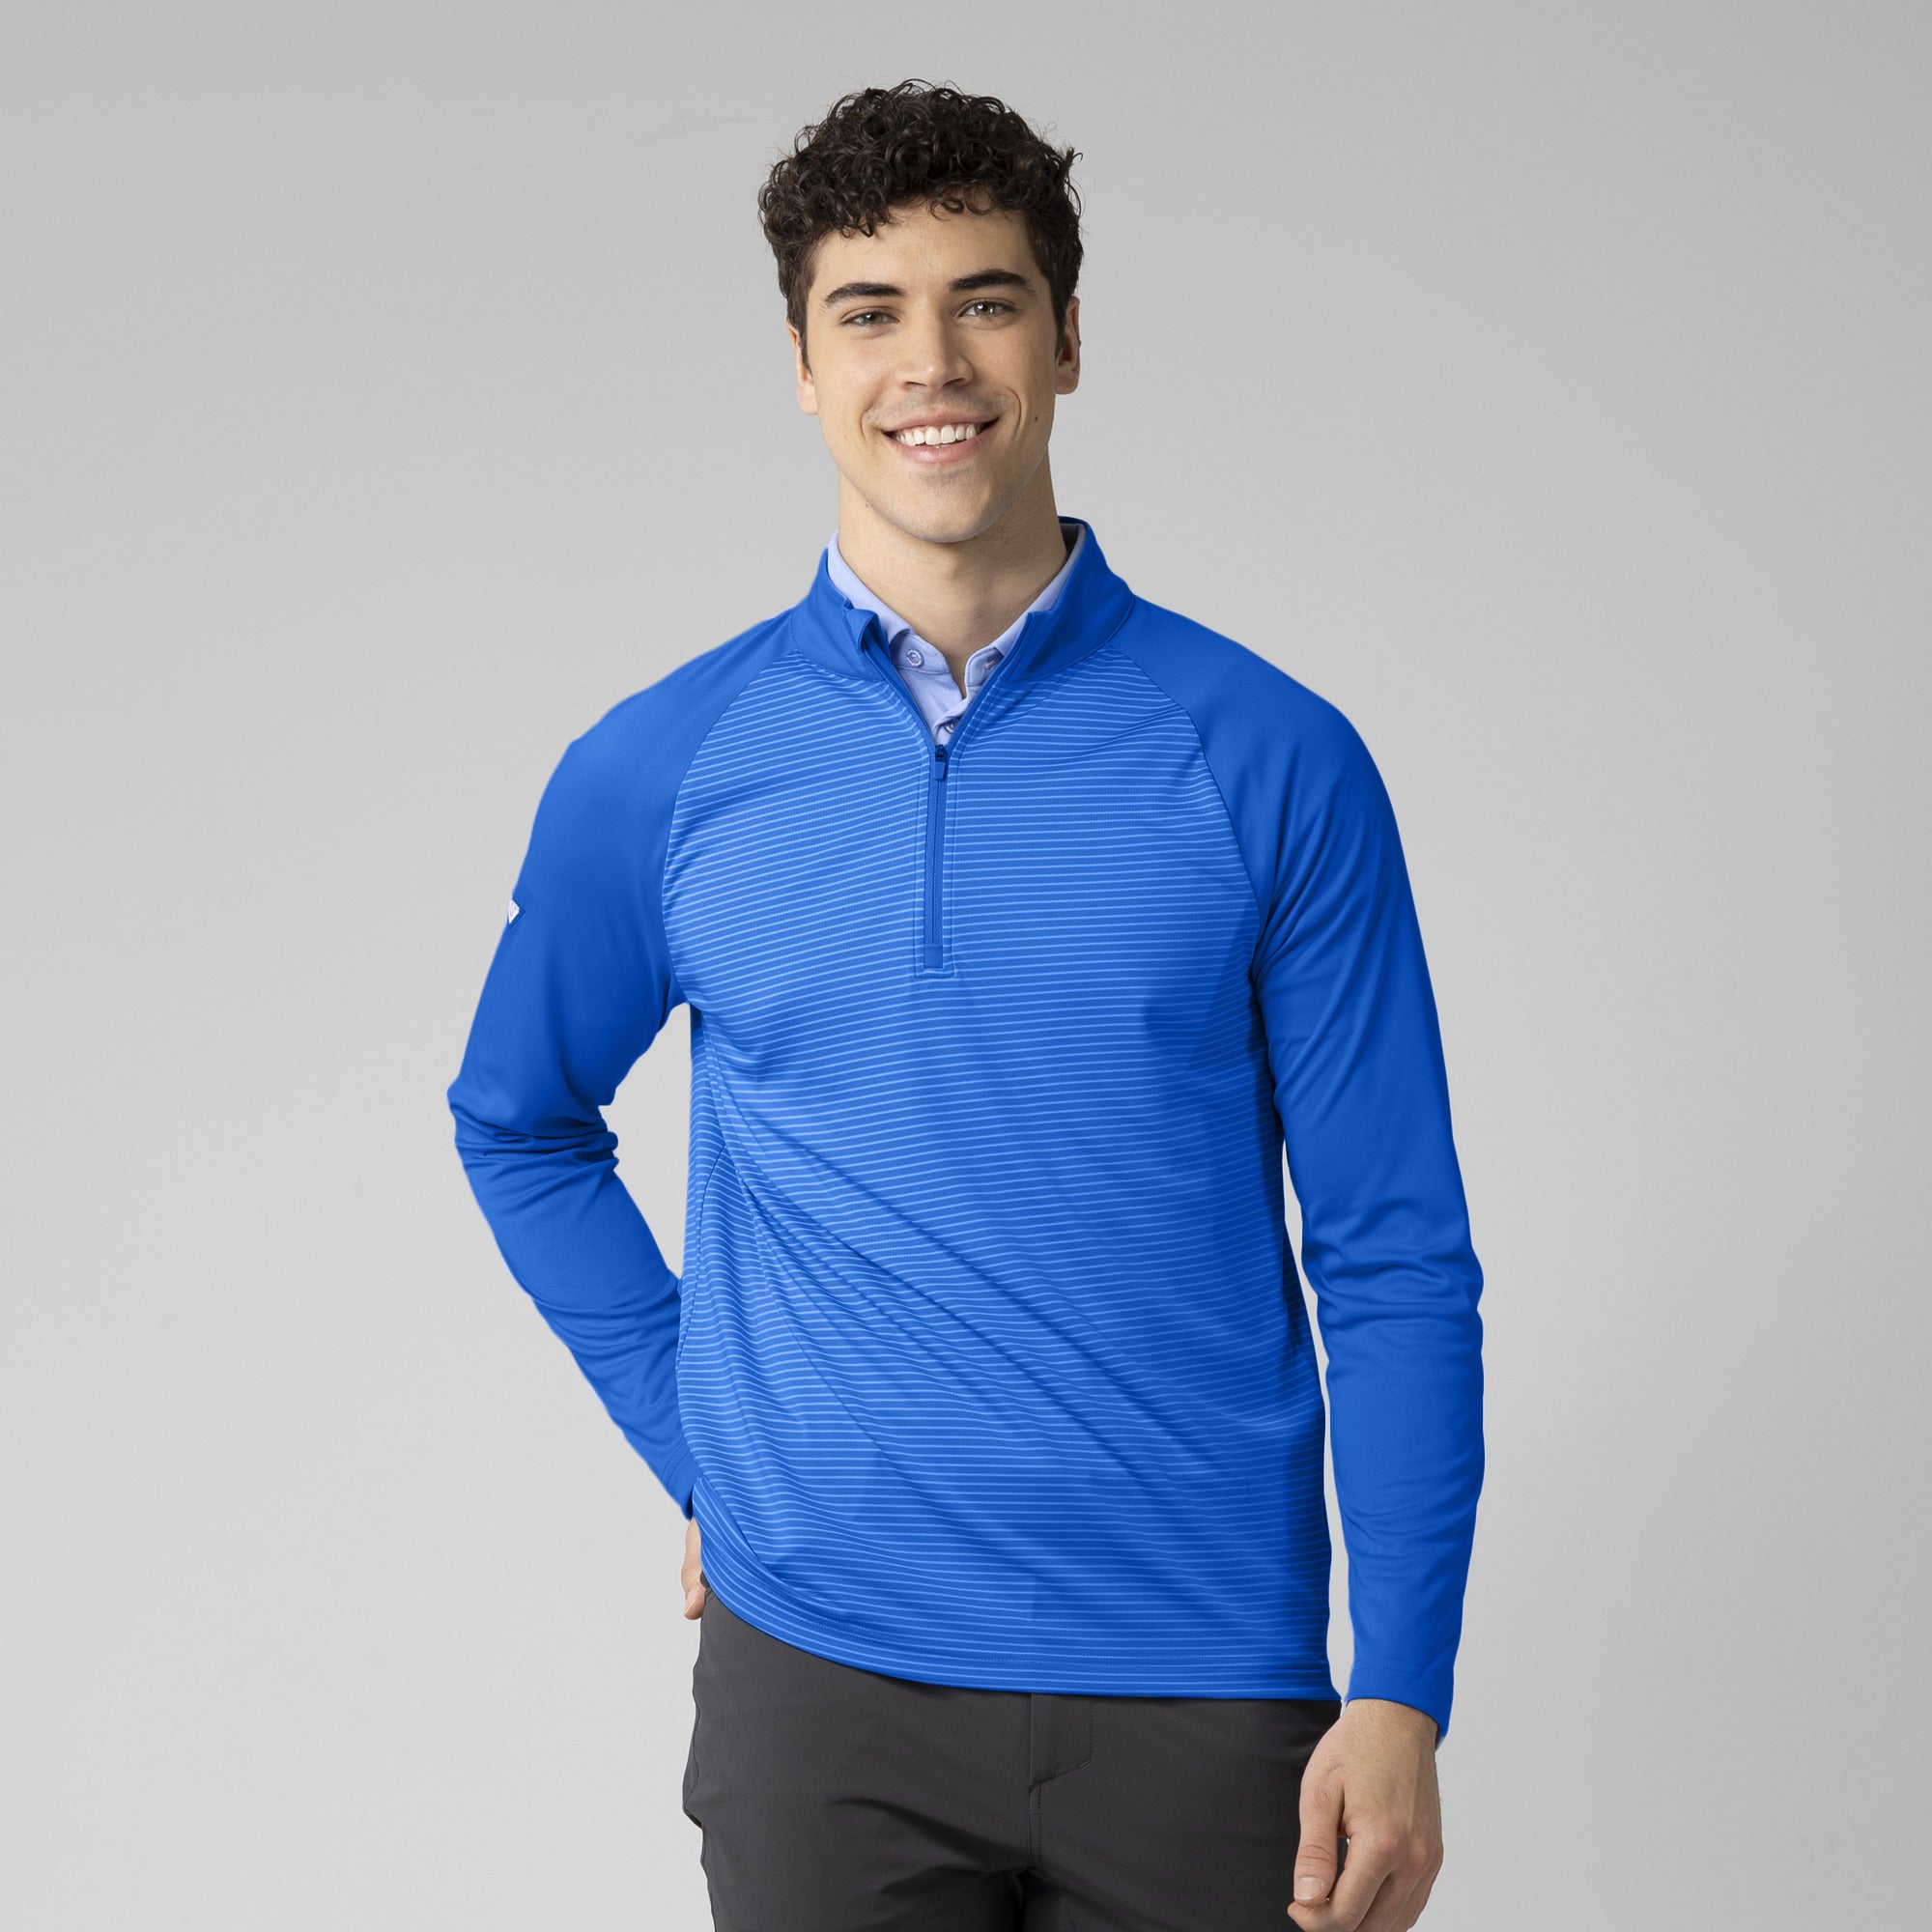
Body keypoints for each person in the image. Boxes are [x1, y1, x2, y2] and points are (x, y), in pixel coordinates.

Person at [448, 80, 1484, 1932]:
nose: (931, 363)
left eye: (985, 301)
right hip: (822, 1683)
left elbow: (1393, 1247)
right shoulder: (664, 768)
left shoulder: (1270, 756)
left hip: (1203, 1681)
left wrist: (1403, 1685)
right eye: (871, 312)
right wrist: (708, 1444)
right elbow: (516, 1120)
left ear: (1068, 340)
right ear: (801, 363)